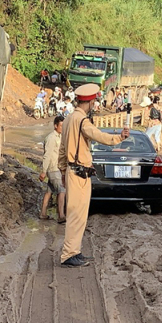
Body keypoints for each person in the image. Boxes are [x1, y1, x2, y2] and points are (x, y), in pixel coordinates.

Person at [58, 83, 129, 267]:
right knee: (77, 216)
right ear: (89, 102)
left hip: (73, 172)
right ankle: (68, 255)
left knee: (78, 215)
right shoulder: (82, 121)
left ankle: (74, 251)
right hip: (80, 173)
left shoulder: (67, 119)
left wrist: (63, 171)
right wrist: (119, 137)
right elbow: (99, 136)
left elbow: (62, 150)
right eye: (94, 102)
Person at [39, 116, 66, 223]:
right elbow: (47, 155)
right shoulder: (51, 138)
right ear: (55, 126)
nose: (63, 128)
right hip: (54, 168)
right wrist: (43, 171)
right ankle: (61, 215)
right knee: (62, 191)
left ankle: (43, 213)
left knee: (49, 190)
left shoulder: (60, 137)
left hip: (56, 168)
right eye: (61, 126)